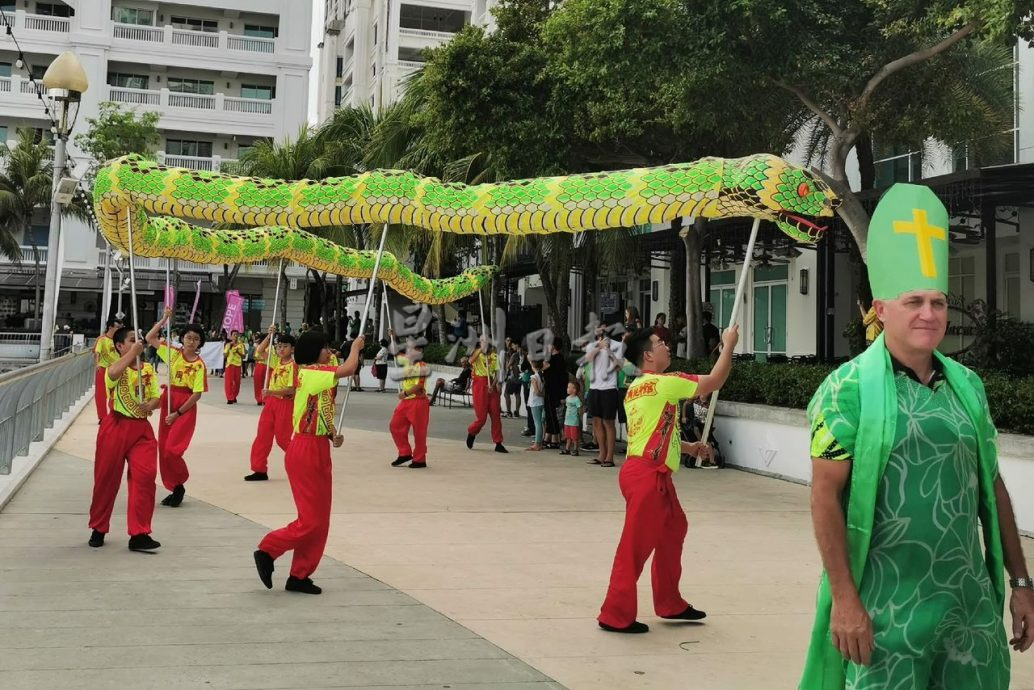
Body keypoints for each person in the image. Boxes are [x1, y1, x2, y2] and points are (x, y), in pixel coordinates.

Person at [801, 184, 1033, 688]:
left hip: (967, 607)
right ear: (882, 309)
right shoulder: (845, 390)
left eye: (937, 302)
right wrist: (845, 600)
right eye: (914, 301)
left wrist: (1020, 582)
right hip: (885, 610)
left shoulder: (968, 386)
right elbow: (824, 497)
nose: (928, 313)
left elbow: (991, 487)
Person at [596, 325, 736, 633]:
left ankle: (670, 603)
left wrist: (689, 447)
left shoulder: (636, 387)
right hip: (648, 477)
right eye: (661, 343)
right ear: (648, 355)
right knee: (634, 546)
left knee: (673, 530)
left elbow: (654, 433)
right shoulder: (665, 383)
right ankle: (614, 614)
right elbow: (715, 380)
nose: (668, 346)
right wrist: (728, 345)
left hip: (644, 472)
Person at [253, 331, 365, 595]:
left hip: (318, 446)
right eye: (324, 348)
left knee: (320, 520)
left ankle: (300, 574)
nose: (329, 351)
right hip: (305, 449)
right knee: (311, 521)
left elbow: (320, 410)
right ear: (314, 352)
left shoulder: (319, 376)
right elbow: (349, 368)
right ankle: (269, 548)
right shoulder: (310, 372)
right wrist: (356, 347)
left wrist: (332, 434)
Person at [87, 326, 163, 552]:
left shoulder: (147, 369)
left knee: (145, 478)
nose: (137, 342)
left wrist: (151, 404)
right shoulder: (115, 367)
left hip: (142, 431)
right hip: (116, 427)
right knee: (106, 479)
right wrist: (133, 354)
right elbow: (111, 375)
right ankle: (99, 527)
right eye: (131, 340)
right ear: (120, 346)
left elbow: (157, 397)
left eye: (138, 340)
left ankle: (139, 533)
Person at [145, 308, 208, 508]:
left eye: (196, 339)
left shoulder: (199, 365)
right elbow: (150, 337)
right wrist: (164, 318)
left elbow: (197, 394)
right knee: (163, 449)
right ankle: (175, 487)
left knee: (173, 450)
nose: (191, 341)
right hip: (169, 400)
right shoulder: (173, 353)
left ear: (200, 343)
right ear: (182, 338)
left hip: (185, 407)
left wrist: (177, 413)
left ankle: (180, 480)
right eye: (188, 337)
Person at [246, 330, 297, 481]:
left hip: (285, 404)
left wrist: (271, 392)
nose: (281, 349)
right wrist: (269, 336)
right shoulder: (276, 361)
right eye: (279, 346)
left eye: (285, 346)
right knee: (263, 435)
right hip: (271, 403)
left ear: (292, 349)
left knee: (283, 439)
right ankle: (259, 469)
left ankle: (301, 463)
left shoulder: (293, 366)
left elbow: (291, 390)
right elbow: (259, 350)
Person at [388, 333, 432, 468]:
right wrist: (393, 337)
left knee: (419, 432)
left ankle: (420, 459)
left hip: (418, 401)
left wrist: (405, 393)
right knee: (395, 425)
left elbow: (419, 385)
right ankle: (405, 453)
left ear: (419, 351)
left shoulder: (422, 366)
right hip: (406, 401)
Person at [584, 326, 624, 467]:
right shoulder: (592, 345)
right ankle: (601, 454)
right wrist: (598, 347)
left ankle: (609, 457)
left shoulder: (618, 346)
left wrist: (609, 352)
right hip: (594, 388)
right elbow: (588, 359)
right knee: (596, 421)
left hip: (609, 388)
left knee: (608, 422)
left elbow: (619, 367)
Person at [465, 338, 507, 453]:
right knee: (481, 418)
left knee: (496, 415)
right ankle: (472, 432)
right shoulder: (477, 354)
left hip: (491, 385)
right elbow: (470, 361)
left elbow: (497, 373)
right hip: (479, 385)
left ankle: (498, 442)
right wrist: (480, 350)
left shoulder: (494, 356)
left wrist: (493, 385)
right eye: (482, 342)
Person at [93, 317, 122, 423]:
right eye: (117, 327)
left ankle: (114, 415)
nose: (119, 329)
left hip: (116, 369)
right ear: (110, 327)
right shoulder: (102, 339)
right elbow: (97, 352)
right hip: (103, 368)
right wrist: (97, 364)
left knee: (116, 393)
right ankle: (102, 417)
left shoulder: (119, 340)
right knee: (101, 394)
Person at [541, 339, 567, 449]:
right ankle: (548, 437)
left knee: (552, 414)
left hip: (553, 389)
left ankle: (555, 438)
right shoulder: (558, 358)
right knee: (549, 413)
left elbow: (543, 367)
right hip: (552, 388)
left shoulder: (555, 359)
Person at [525, 359, 545, 451]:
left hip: (535, 401)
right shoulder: (542, 376)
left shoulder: (534, 377)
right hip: (541, 401)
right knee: (540, 422)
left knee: (537, 423)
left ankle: (537, 443)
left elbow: (536, 391)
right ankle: (540, 442)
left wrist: (539, 394)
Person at [561, 381, 583, 456]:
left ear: (574, 390)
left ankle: (575, 449)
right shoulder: (567, 398)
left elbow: (579, 408)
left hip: (574, 421)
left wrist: (580, 415)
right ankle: (567, 449)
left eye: (569, 387)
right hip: (567, 420)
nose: (567, 389)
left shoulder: (576, 399)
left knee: (574, 436)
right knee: (568, 436)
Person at [223, 331, 245, 403]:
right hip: (230, 365)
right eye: (234, 335)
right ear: (231, 336)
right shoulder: (228, 344)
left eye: (236, 335)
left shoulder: (241, 345)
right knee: (229, 382)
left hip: (238, 365)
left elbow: (244, 356)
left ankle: (234, 396)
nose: (235, 336)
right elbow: (225, 356)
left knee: (237, 382)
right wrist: (229, 348)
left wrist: (238, 352)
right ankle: (229, 398)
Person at [503, 341, 523, 418]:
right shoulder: (523, 354)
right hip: (520, 377)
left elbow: (509, 365)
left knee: (506, 394)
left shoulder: (515, 354)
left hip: (513, 378)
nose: (512, 346)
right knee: (517, 394)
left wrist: (508, 360)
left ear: (517, 345)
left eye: (513, 345)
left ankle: (509, 412)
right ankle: (517, 412)